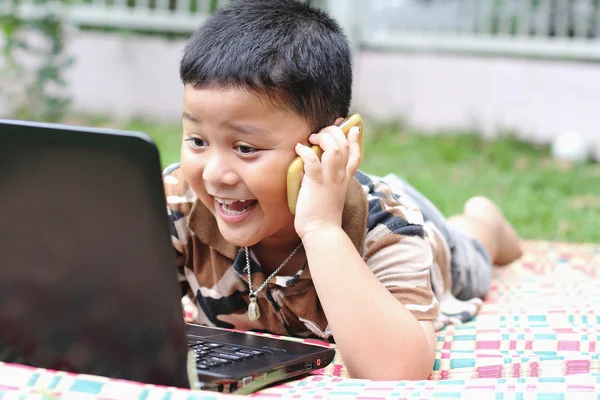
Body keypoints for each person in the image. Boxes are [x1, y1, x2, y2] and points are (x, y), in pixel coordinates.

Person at [163, 0, 522, 380]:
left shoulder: (385, 226)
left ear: (330, 144)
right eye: (198, 141)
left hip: (428, 243)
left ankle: (486, 223)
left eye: (245, 148)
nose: (216, 174)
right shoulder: (180, 203)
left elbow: (398, 371)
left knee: (466, 252)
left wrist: (322, 229)